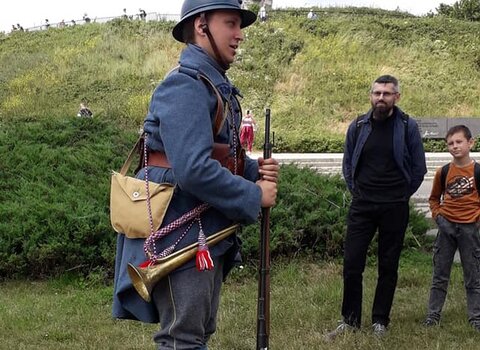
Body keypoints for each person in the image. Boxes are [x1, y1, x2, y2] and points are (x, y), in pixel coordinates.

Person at [112, 0, 279, 349]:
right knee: (183, 339)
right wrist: (253, 195)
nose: (239, 35)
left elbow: (220, 151)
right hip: (183, 231)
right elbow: (193, 169)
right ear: (201, 27)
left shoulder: (211, 83)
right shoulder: (186, 85)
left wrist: (252, 169)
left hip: (200, 230)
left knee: (196, 333)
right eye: (231, 24)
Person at [326, 75, 427, 340]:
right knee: (352, 263)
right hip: (363, 205)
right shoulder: (359, 125)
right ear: (371, 95)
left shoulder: (407, 127)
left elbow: (419, 168)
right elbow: (348, 163)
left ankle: (380, 320)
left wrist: (401, 195)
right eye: (377, 93)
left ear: (397, 97)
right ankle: (350, 320)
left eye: (387, 93)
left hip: (394, 206)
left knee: (388, 265)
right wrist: (356, 190)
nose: (381, 98)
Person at [423, 125, 480, 330]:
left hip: (470, 229)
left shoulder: (477, 170)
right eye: (450, 143)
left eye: (459, 142)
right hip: (446, 228)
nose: (455, 146)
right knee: (440, 275)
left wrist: (476, 221)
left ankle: (475, 317)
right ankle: (433, 315)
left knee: (473, 276)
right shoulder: (444, 171)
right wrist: (439, 218)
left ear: (470, 143)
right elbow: (433, 199)